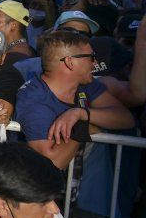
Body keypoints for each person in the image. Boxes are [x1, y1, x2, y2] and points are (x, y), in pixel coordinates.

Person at [15, 28, 134, 169]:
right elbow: (52, 162)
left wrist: (80, 113)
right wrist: (82, 128)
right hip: (45, 187)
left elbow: (126, 119)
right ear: (70, 62)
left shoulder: (85, 84)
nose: (95, 63)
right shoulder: (34, 100)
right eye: (91, 57)